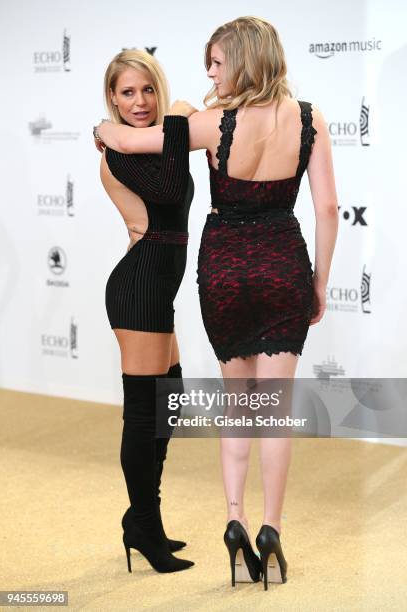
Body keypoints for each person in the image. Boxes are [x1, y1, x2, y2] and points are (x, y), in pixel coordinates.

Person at [95, 16, 338, 589]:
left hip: (224, 268)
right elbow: (327, 211)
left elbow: (132, 138)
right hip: (282, 263)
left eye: (217, 62)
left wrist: (107, 126)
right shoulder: (311, 119)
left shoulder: (210, 123)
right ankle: (269, 529)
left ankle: (233, 519)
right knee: (273, 412)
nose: (209, 72)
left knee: (231, 404)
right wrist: (320, 283)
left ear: (243, 62)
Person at [95, 49, 195, 574]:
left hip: (157, 289)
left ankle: (143, 521)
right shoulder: (118, 152)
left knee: (170, 401)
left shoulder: (154, 141)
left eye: (148, 91)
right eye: (128, 92)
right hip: (139, 288)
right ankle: (144, 527)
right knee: (143, 416)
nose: (140, 102)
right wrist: (177, 114)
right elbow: (173, 188)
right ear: (112, 97)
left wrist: (176, 118)